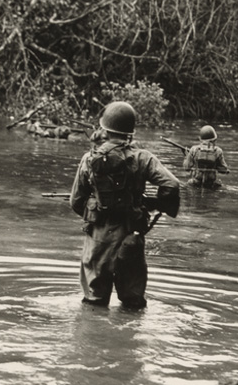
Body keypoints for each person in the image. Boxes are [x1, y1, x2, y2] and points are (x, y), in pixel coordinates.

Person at [70, 101, 181, 308]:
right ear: (130, 132)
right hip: (131, 236)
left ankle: (93, 338)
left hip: (98, 239)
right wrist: (152, 205)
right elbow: (171, 184)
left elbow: (75, 201)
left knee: (93, 303)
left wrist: (97, 212)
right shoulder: (142, 158)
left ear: (104, 128)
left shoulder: (89, 159)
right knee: (133, 304)